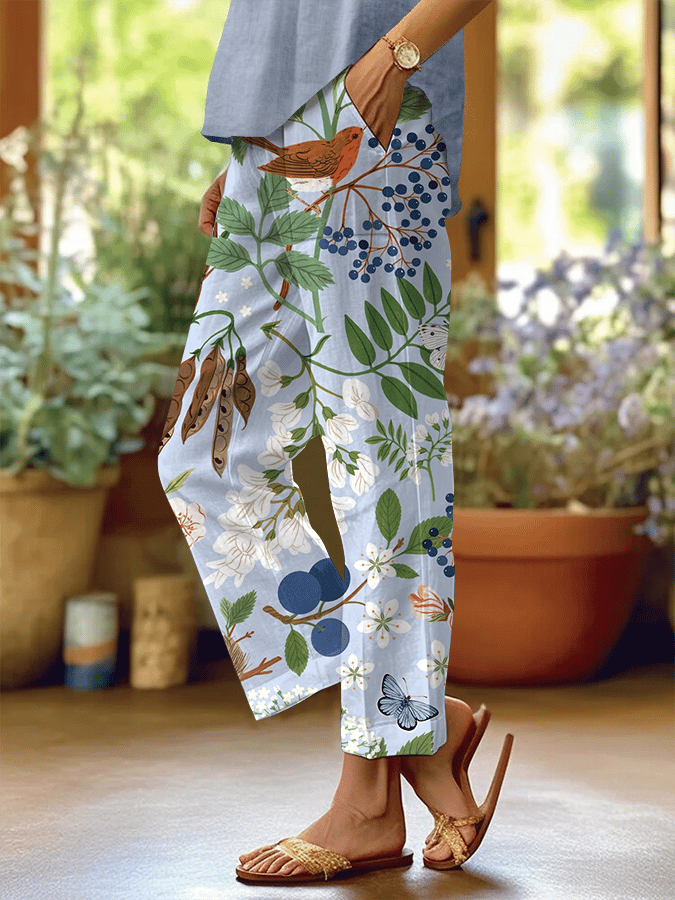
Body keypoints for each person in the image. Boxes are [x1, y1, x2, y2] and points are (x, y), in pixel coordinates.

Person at [159, 0, 513, 884]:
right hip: (270, 131)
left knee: (379, 458)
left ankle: (367, 794)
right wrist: (249, 149)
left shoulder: (387, 70)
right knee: (203, 454)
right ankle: (412, 723)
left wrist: (398, 56)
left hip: (374, 103)